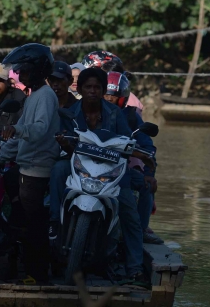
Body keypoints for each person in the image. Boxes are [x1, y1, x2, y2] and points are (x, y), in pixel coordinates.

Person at [51, 68, 150, 281]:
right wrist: (64, 143)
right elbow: (64, 142)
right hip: (80, 167)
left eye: (97, 87)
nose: (93, 91)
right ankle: (54, 223)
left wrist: (141, 154)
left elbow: (127, 140)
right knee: (58, 170)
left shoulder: (115, 114)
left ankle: (135, 267)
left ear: (103, 90)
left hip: (111, 171)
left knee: (128, 209)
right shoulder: (70, 112)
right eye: (88, 87)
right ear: (80, 89)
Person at [0, 43, 60, 284]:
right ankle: (25, 266)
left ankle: (37, 274)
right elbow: (18, 137)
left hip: (36, 170)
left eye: (23, 71)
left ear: (37, 70)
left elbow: (39, 130)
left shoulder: (45, 96)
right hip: (25, 167)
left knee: (34, 226)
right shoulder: (34, 97)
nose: (19, 76)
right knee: (23, 221)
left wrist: (17, 129)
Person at [105, 72, 163, 245]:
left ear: (122, 98)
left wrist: (149, 172)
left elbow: (148, 146)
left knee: (146, 185)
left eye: (113, 96)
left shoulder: (131, 116)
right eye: (105, 94)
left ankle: (142, 228)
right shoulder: (87, 109)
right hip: (87, 166)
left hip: (120, 171)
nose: (108, 99)